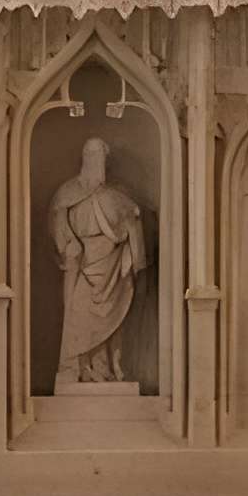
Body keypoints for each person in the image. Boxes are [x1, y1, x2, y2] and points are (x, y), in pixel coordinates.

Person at [51, 138, 151, 388]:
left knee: (112, 318)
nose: (96, 160)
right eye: (90, 154)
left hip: (113, 267)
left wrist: (132, 248)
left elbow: (131, 226)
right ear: (83, 157)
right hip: (83, 265)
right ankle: (81, 368)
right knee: (80, 316)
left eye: (100, 155)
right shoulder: (68, 192)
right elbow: (58, 224)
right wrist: (69, 244)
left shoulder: (118, 194)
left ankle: (108, 368)